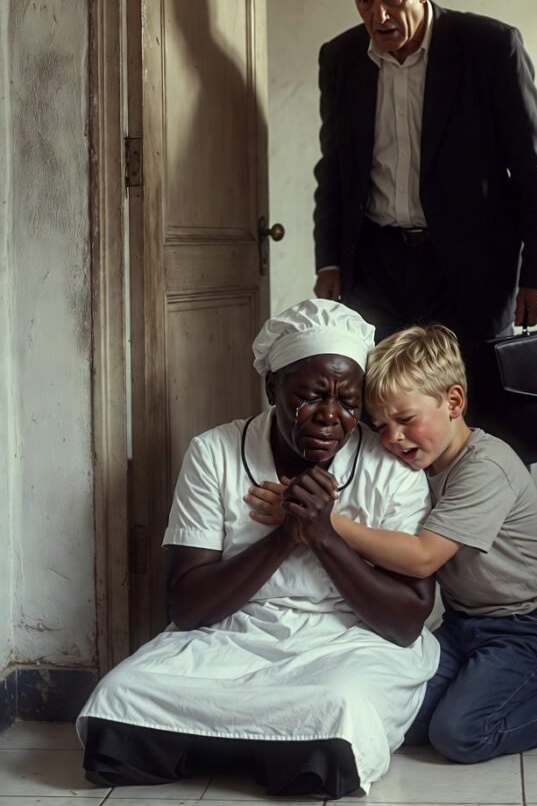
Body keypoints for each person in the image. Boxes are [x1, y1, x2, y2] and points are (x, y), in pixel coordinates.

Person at [76, 299, 439, 797]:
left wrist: (325, 536)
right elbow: (188, 607)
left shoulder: (390, 466)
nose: (330, 417)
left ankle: (226, 746)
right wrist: (286, 536)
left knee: (338, 707)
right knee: (120, 698)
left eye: (349, 403)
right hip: (232, 634)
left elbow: (404, 623)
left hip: (349, 640)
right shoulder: (215, 453)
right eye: (310, 397)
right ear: (272, 387)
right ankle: (270, 750)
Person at [250, 324, 537, 762]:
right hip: (465, 624)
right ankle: (499, 682)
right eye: (381, 425)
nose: (392, 438)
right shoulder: (416, 467)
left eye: (406, 420)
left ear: (453, 402)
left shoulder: (486, 467)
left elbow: (423, 558)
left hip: (531, 624)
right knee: (403, 715)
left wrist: (320, 523)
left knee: (459, 734)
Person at [313, 0, 537, 418]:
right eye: (363, 0)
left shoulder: (490, 46)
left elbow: (535, 168)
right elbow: (335, 170)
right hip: (377, 266)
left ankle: (479, 499)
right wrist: (330, 261)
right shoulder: (340, 59)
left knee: (478, 413)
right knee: (381, 412)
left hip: (474, 268)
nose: (378, 15)